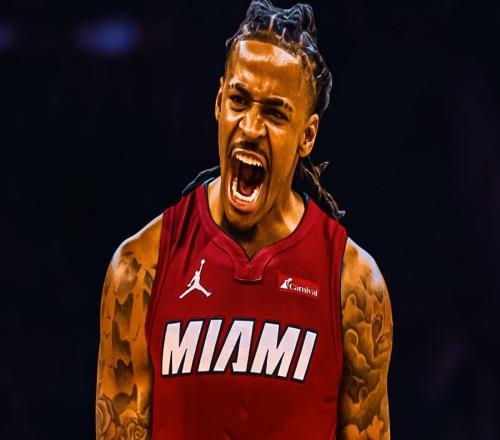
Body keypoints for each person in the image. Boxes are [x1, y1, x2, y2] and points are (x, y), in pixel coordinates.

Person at [95, 1, 393, 438]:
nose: (251, 128)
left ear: (307, 135)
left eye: (275, 112)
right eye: (239, 100)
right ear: (219, 103)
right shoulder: (139, 270)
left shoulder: (355, 286)